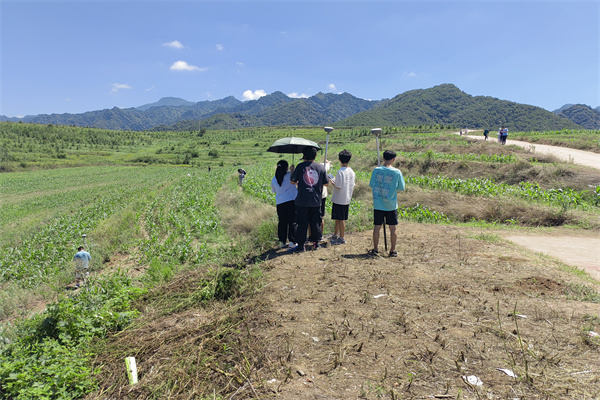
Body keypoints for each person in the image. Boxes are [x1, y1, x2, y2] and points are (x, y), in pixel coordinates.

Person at [288, 146, 329, 253]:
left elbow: (293, 181)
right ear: (315, 155)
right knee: (315, 222)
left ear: (304, 156)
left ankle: (301, 246)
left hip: (302, 200)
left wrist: (292, 171)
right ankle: (316, 243)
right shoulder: (320, 167)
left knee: (302, 223)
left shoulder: (300, 166)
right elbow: (326, 183)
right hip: (316, 200)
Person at [369, 150, 405, 257]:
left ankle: (375, 249)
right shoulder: (397, 172)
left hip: (378, 203)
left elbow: (371, 184)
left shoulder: (376, 170)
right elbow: (401, 188)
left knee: (377, 227)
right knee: (393, 228)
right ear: (393, 159)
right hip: (391, 204)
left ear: (383, 158)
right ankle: (392, 250)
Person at [329, 150, 356, 245]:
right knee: (338, 218)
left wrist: (333, 182)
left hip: (339, 198)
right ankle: (335, 234)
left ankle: (341, 237)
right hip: (347, 198)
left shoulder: (340, 171)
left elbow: (338, 185)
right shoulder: (351, 171)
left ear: (339, 159)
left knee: (340, 219)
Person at [271, 160, 297, 249]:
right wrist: (293, 170)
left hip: (280, 203)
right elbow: (296, 181)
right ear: (286, 167)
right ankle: (292, 242)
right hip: (291, 201)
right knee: (292, 221)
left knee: (282, 222)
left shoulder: (274, 178)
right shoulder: (290, 175)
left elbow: (274, 191)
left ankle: (282, 242)